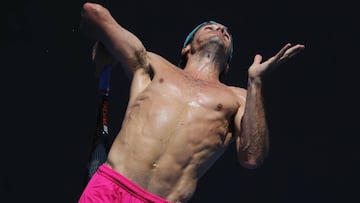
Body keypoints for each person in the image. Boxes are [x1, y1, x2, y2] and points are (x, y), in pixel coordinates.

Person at [79, 2, 305, 203]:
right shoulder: (151, 64)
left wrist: (255, 82)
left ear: (227, 65)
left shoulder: (239, 97)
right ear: (186, 48)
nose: (220, 29)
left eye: (226, 31)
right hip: (109, 190)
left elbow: (252, 158)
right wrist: (104, 42)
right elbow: (93, 12)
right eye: (209, 26)